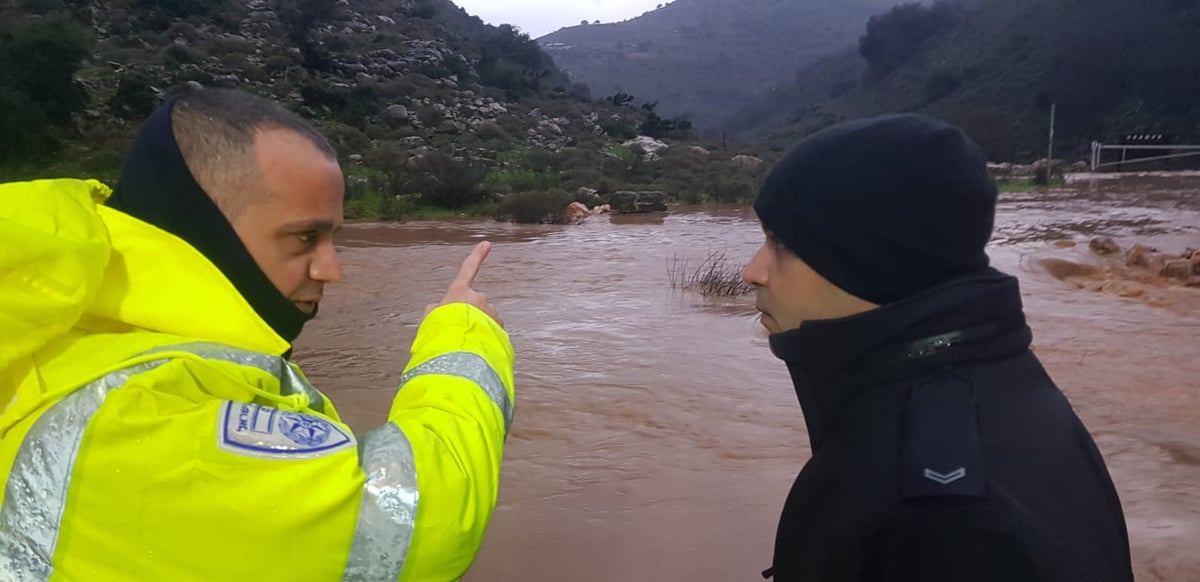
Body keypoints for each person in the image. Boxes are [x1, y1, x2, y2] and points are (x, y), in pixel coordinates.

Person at [0, 87, 514, 581]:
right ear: (202, 230)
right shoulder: (135, 413)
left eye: (333, 236)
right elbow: (423, 519)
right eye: (305, 237)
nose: (332, 269)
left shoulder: (72, 338)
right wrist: (463, 333)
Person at [743, 113, 1133, 582]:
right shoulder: (1001, 387)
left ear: (868, 256)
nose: (753, 271)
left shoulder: (939, 519)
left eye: (780, 244)